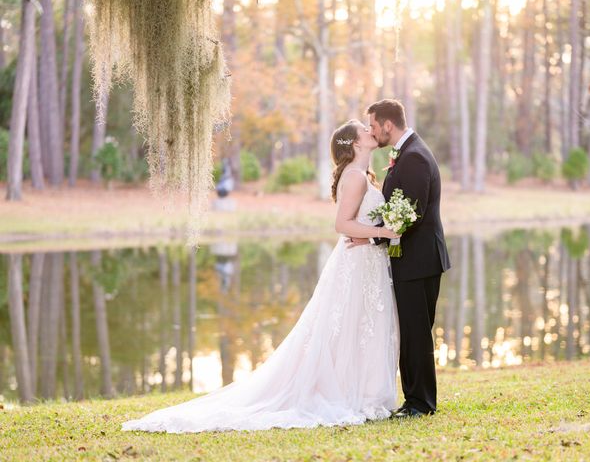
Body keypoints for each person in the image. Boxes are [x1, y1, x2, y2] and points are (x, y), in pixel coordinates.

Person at [121, 119, 401, 433]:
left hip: (367, 261)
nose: (370, 131)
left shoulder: (363, 175)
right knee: (348, 325)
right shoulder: (354, 177)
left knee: (360, 326)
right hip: (355, 264)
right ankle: (347, 394)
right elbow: (342, 225)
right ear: (352, 143)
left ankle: (364, 393)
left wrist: (378, 235)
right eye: (364, 129)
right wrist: (383, 231)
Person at [349, 99, 451, 417]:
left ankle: (420, 403)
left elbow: (412, 215)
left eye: (375, 126)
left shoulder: (415, 157)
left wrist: (370, 234)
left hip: (419, 261)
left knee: (416, 332)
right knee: (411, 330)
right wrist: (376, 234)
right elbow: (401, 212)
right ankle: (415, 400)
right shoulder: (407, 154)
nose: (374, 132)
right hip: (411, 259)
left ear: (388, 125)